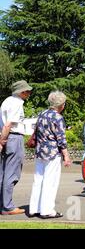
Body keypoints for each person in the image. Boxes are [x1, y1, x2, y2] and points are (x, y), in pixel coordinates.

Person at [29, 91, 71, 219]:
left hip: (40, 152)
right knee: (50, 182)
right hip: (52, 153)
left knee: (38, 180)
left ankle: (34, 208)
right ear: (61, 105)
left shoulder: (42, 114)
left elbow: (36, 132)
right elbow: (61, 139)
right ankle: (47, 210)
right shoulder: (57, 117)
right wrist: (66, 156)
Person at [0, 80, 33, 215]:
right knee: (12, 173)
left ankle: (3, 204)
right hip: (13, 137)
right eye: (27, 91)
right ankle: (8, 207)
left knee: (2, 173)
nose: (29, 93)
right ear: (21, 92)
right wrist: (2, 141)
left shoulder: (7, 101)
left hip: (6, 136)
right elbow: (8, 124)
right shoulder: (17, 103)